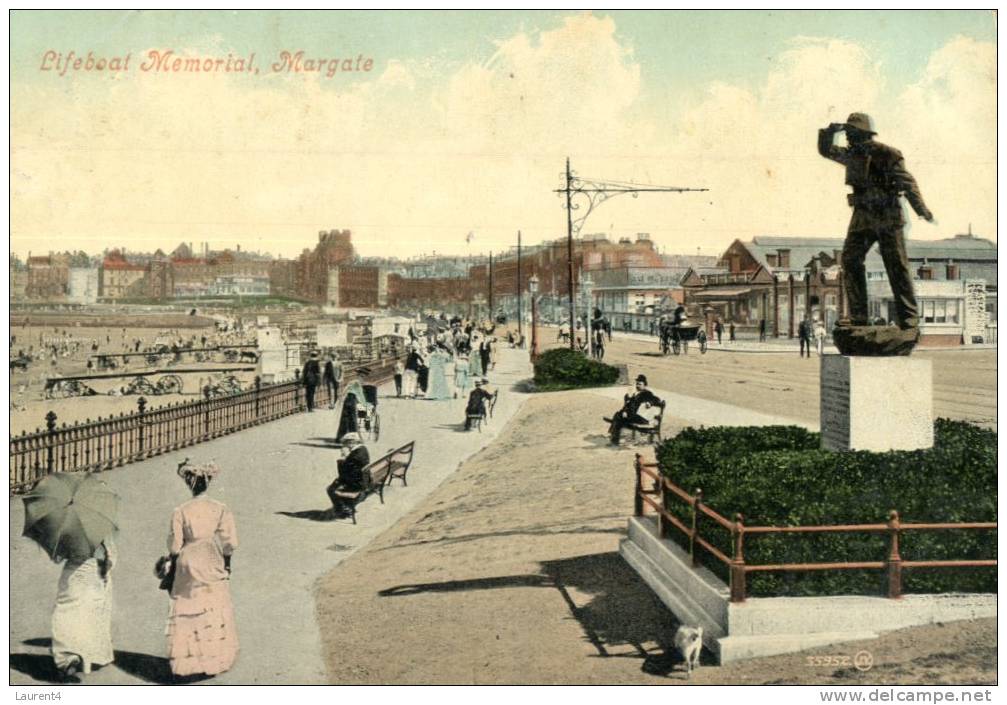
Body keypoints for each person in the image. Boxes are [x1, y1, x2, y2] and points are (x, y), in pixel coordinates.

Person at [818, 113, 933, 330]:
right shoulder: (852, 154)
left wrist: (921, 209)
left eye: (851, 133)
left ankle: (908, 318)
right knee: (850, 260)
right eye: (847, 133)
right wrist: (829, 132)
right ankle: (859, 317)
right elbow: (826, 150)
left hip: (887, 215)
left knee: (896, 266)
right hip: (862, 217)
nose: (848, 138)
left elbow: (907, 182)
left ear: (862, 133)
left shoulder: (887, 153)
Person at [166, 460, 239, 680]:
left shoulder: (181, 511)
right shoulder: (220, 508)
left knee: (189, 605)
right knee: (212, 606)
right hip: (211, 556)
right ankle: (211, 657)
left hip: (189, 561)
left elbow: (175, 545)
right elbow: (230, 542)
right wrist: (226, 562)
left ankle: (189, 659)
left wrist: (171, 563)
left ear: (189, 485)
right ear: (208, 483)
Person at [50, 536, 117, 680]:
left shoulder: (67, 527)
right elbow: (110, 556)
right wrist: (105, 571)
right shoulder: (100, 526)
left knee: (65, 610)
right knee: (89, 614)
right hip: (93, 571)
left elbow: (57, 557)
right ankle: (87, 655)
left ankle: (66, 657)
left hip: (72, 573)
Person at [604, 374, 662, 446]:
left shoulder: (647, 393)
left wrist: (650, 403)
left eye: (640, 384)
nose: (638, 385)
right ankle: (614, 437)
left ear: (645, 385)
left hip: (641, 418)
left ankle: (614, 438)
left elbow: (656, 399)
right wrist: (625, 411)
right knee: (618, 415)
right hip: (634, 416)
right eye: (637, 384)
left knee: (619, 418)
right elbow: (628, 405)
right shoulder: (636, 394)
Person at [326, 433, 371, 510]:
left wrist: (343, 458)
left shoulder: (354, 455)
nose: (345, 445)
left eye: (346, 443)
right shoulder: (363, 449)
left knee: (330, 489)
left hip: (357, 484)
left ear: (352, 442)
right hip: (364, 479)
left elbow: (344, 472)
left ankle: (343, 510)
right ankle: (344, 507)